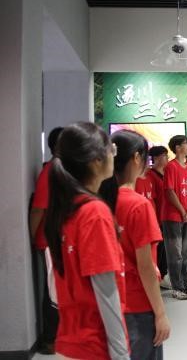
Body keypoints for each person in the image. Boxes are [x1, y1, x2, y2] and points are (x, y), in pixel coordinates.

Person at [44, 122, 130, 359]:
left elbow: (55, 290)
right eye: (111, 148)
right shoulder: (94, 213)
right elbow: (106, 292)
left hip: (69, 341)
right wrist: (121, 354)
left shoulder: (64, 209)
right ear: (96, 160)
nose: (113, 154)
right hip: (95, 346)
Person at [100, 130, 170, 359]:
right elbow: (146, 266)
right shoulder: (138, 205)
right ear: (136, 158)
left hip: (109, 301)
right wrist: (160, 313)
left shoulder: (98, 202)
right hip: (138, 304)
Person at [29, 126, 63, 355]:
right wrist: (33, 237)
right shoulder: (50, 172)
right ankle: (51, 339)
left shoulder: (63, 171)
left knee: (59, 291)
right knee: (53, 294)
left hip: (63, 241)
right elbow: (38, 209)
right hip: (51, 241)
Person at [160, 135, 187, 299]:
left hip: (186, 216)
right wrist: (183, 211)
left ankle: (184, 284)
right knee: (175, 254)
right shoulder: (171, 167)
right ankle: (177, 287)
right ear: (177, 148)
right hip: (172, 216)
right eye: (186, 144)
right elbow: (169, 191)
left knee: (185, 252)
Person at [137, 146, 170, 289]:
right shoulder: (148, 176)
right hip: (149, 222)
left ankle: (161, 276)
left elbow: (153, 200)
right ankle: (154, 279)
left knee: (161, 250)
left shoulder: (153, 177)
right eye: (163, 155)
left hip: (160, 218)